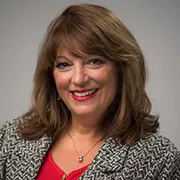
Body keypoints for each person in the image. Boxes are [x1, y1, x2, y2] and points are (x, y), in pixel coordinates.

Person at [0, 3, 180, 180]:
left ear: (122, 69)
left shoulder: (159, 160)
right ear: (51, 76)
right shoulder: (10, 139)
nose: (78, 79)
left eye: (94, 61)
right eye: (64, 65)